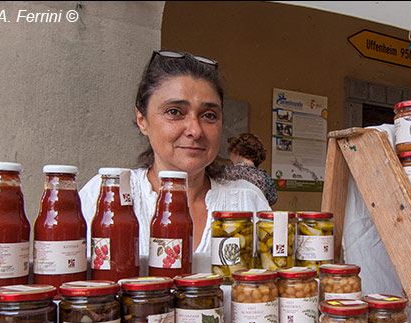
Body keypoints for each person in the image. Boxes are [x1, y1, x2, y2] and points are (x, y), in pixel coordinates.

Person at [78, 50, 271, 272]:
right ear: (142, 120)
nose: (195, 130)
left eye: (209, 115)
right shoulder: (105, 196)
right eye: (174, 111)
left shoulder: (246, 202)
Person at [225, 132, 277, 205]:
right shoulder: (264, 178)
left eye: (230, 153)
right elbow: (272, 199)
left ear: (236, 151)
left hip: (229, 215)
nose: (230, 157)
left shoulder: (224, 173)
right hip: (255, 215)